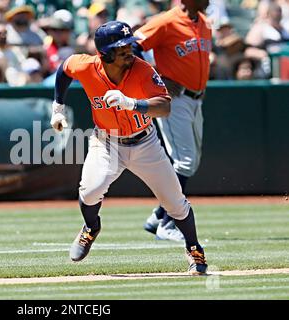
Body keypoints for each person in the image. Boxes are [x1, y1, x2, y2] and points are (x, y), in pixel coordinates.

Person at [51, 20, 208, 275]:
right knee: (90, 192)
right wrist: (57, 108)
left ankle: (194, 248)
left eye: (128, 44)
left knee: (175, 203)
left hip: (145, 142)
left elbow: (165, 106)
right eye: (121, 47)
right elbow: (64, 69)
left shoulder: (142, 69)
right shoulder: (87, 65)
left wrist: (134, 104)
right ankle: (91, 228)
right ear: (105, 52)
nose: (128, 50)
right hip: (106, 142)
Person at [133, 0, 212, 241]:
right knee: (185, 161)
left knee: (191, 161)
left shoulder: (205, 22)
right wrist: (156, 78)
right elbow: (132, 46)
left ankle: (158, 215)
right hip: (173, 100)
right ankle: (168, 225)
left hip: (195, 99)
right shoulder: (166, 21)